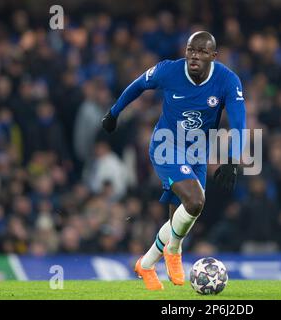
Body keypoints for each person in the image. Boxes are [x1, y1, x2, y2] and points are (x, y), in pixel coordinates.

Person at [101, 31, 246, 290]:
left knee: (182, 217)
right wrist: (114, 113)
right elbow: (138, 85)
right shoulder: (168, 71)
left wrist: (233, 160)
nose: (194, 56)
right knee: (195, 200)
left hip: (198, 152)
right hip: (166, 145)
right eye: (191, 50)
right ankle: (174, 251)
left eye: (202, 52)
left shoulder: (227, 80)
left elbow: (239, 122)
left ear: (213, 56)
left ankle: (145, 266)